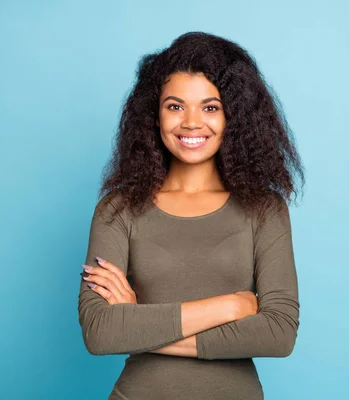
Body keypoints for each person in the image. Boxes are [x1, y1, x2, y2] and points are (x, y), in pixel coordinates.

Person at [77, 31, 305, 400]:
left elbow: (278, 333)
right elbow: (100, 332)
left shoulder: (265, 209)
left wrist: (141, 325)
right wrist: (231, 305)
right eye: (175, 106)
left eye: (210, 107)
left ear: (235, 116)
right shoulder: (118, 209)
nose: (191, 123)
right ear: (154, 114)